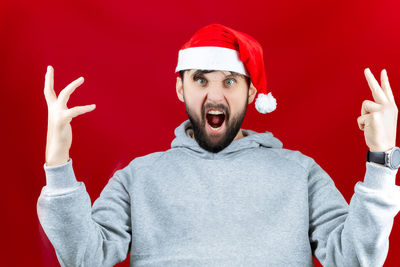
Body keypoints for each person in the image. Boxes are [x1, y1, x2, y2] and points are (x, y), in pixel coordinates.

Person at [37, 23, 400, 266]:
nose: (214, 95)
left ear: (251, 92)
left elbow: (356, 258)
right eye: (200, 80)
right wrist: (57, 163)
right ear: (181, 88)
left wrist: (382, 162)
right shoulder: (138, 177)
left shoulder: (300, 172)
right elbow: (82, 256)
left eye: (230, 82)